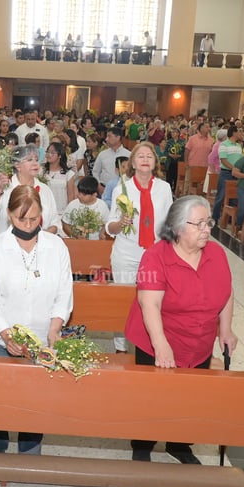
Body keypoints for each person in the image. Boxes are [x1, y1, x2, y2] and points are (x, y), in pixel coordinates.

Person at [124, 195, 236, 463]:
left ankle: (179, 443)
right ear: (176, 227)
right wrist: (161, 345)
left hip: (199, 342)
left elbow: (227, 292)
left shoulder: (216, 253)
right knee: (152, 398)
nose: (206, 229)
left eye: (208, 222)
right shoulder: (154, 257)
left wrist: (226, 328)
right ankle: (143, 444)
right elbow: (148, 303)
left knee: (191, 398)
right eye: (198, 224)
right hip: (158, 338)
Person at [0, 185, 73, 454]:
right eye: (22, 219)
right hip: (3, 340)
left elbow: (64, 291)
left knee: (33, 402)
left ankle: (30, 456)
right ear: (9, 215)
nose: (29, 225)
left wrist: (56, 327)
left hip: (43, 338)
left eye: (34, 219)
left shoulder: (56, 247)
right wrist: (7, 336)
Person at [106, 142, 173, 353]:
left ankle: (151, 345)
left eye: (149, 156)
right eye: (140, 156)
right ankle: (120, 348)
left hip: (155, 256)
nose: (145, 159)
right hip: (127, 254)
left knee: (154, 302)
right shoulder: (122, 189)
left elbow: (171, 222)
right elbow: (110, 227)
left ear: (155, 162)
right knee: (124, 302)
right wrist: (121, 223)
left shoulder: (164, 188)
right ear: (133, 162)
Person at [0, 145, 61, 236]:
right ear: (17, 165)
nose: (35, 163)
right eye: (29, 160)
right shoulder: (5, 188)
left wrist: (39, 237)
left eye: (36, 159)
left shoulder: (45, 190)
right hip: (8, 246)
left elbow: (55, 223)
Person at [41, 142, 76, 224]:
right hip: (45, 213)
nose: (49, 154)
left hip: (61, 214)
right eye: (47, 152)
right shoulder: (41, 172)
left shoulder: (68, 174)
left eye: (52, 153)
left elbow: (71, 198)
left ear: (60, 155)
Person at [92, 127, 131, 196]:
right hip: (103, 189)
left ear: (118, 137)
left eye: (109, 136)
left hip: (123, 191)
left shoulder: (129, 155)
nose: (106, 139)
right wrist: (98, 185)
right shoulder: (102, 154)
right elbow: (95, 171)